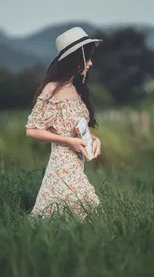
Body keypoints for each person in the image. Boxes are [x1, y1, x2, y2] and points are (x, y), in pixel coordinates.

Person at [25, 26, 103, 220]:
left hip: (77, 163)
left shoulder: (78, 88)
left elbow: (76, 128)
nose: (91, 63)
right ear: (74, 60)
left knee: (70, 217)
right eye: (87, 58)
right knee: (85, 212)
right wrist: (69, 142)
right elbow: (32, 130)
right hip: (61, 164)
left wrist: (94, 139)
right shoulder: (51, 90)